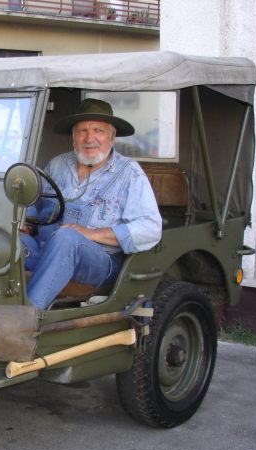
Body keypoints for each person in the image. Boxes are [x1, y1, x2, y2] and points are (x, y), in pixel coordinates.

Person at [21, 98, 162, 310]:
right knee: (5, 241)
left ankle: (25, 318)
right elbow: (34, 203)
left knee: (67, 238)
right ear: (73, 136)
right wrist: (26, 224)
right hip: (43, 249)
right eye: (82, 131)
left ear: (112, 137)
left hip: (100, 263)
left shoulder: (129, 173)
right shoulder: (57, 165)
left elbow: (150, 228)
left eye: (98, 130)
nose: (89, 138)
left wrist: (92, 234)